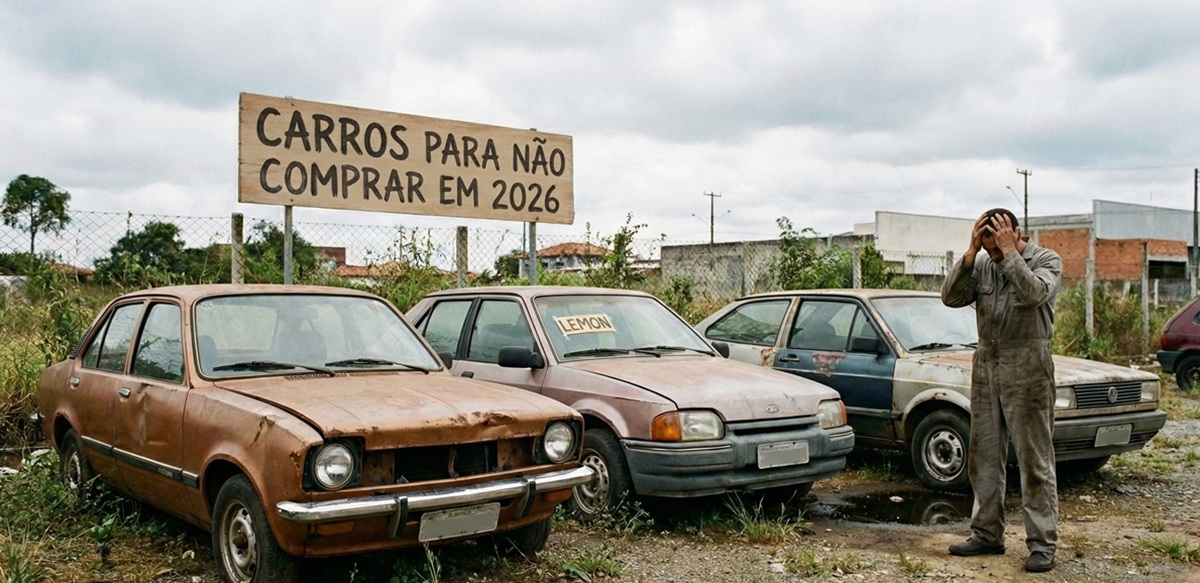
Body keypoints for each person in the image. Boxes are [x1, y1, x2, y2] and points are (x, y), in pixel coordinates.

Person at [940, 208, 1063, 573]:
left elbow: (1034, 293)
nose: (991, 256)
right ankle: (987, 534)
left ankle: (1042, 544)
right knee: (984, 456)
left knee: (1034, 460)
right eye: (987, 248)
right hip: (987, 364)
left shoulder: (1046, 260)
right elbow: (950, 297)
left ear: (1014, 233)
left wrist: (1009, 255)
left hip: (1028, 365)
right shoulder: (982, 263)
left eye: (996, 248)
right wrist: (969, 254)